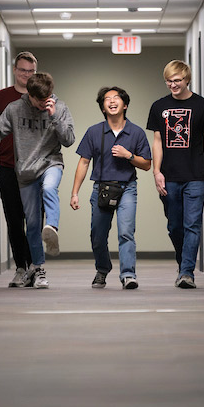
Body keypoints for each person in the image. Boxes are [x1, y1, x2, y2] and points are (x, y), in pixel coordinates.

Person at [0, 72, 74, 289]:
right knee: (32, 225)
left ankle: (52, 227)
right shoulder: (15, 109)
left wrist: (53, 116)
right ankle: (39, 269)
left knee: (50, 188)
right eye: (39, 101)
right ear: (29, 96)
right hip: (25, 172)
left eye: (47, 98)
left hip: (51, 163)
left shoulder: (59, 108)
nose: (44, 103)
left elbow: (69, 140)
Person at [69, 86, 152, 289]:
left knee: (126, 232)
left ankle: (128, 275)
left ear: (125, 105)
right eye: (107, 99)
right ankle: (102, 269)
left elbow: (147, 164)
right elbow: (84, 162)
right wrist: (74, 193)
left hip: (127, 188)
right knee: (97, 235)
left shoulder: (136, 132)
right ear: (103, 107)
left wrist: (129, 155)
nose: (112, 101)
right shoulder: (94, 132)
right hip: (101, 188)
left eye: (117, 98)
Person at [146, 60, 204, 289]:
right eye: (169, 81)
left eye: (177, 80)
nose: (173, 85)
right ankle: (182, 262)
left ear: (187, 79)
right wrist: (157, 172)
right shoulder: (159, 106)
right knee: (174, 226)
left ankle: (187, 272)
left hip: (196, 175)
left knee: (192, 224)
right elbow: (157, 142)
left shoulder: (203, 106)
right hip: (169, 176)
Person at [0, 51, 37, 287]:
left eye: (31, 71)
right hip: (6, 167)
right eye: (23, 70)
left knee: (34, 220)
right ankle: (21, 267)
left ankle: (36, 266)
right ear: (15, 70)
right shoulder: (0, 97)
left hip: (34, 169)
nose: (26, 75)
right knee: (14, 220)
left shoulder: (41, 97)